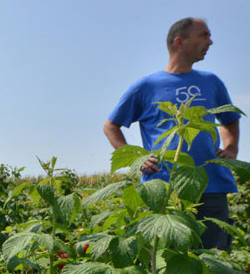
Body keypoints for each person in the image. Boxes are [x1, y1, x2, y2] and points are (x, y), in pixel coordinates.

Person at [103, 17, 241, 251]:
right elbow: (111, 126)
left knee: (213, 259)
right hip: (164, 188)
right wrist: (137, 158)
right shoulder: (147, 86)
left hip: (210, 184)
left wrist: (231, 148)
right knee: (168, 257)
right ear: (180, 41)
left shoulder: (211, 82)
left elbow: (230, 118)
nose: (210, 42)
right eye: (204, 35)